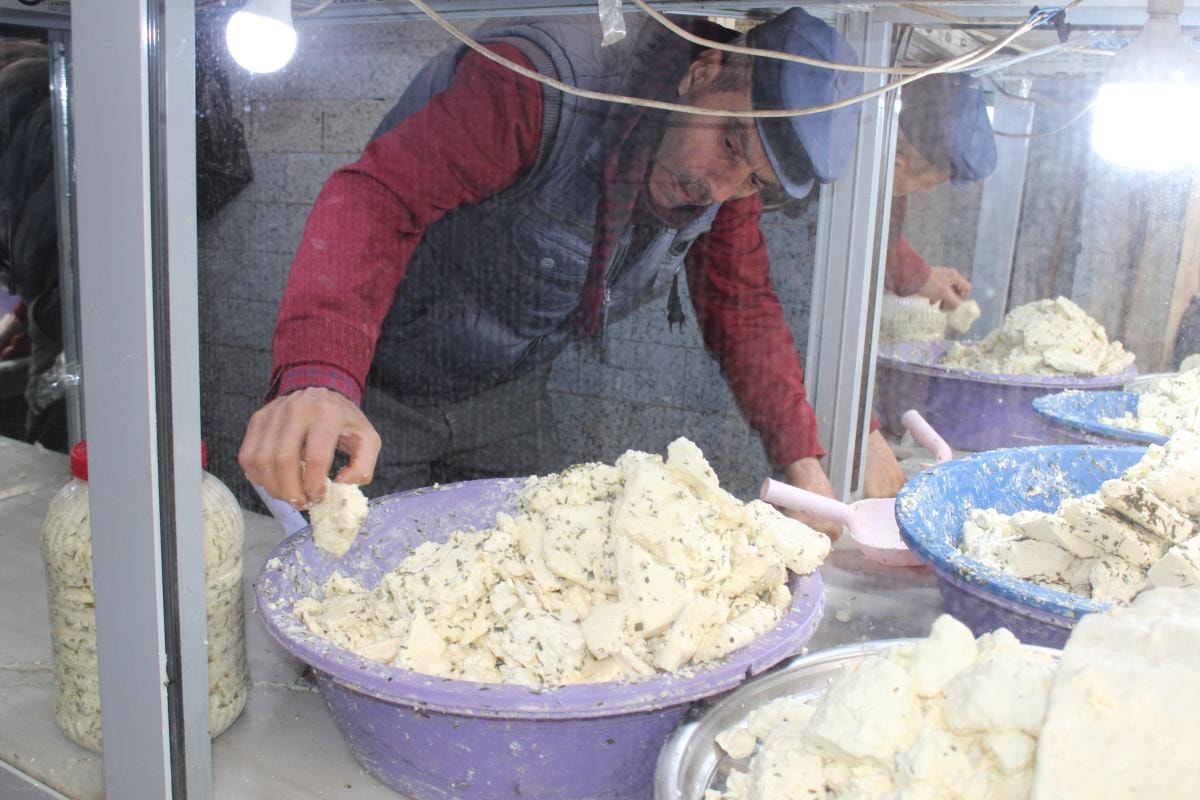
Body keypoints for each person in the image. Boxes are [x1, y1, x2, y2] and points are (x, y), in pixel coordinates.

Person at [239, 9, 909, 534]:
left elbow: (744, 308)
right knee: (365, 589)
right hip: (377, 391)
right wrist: (318, 376)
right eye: (730, 140)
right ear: (703, 70)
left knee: (533, 574)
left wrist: (804, 463)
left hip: (507, 393)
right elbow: (379, 200)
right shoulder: (541, 84)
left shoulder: (723, 186)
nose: (720, 185)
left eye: (755, 181)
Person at [884, 73, 997, 310]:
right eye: (927, 182)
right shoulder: (862, 182)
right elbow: (868, 241)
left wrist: (925, 276)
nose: (926, 191)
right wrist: (921, 277)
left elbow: (885, 242)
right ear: (897, 164)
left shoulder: (891, 192)